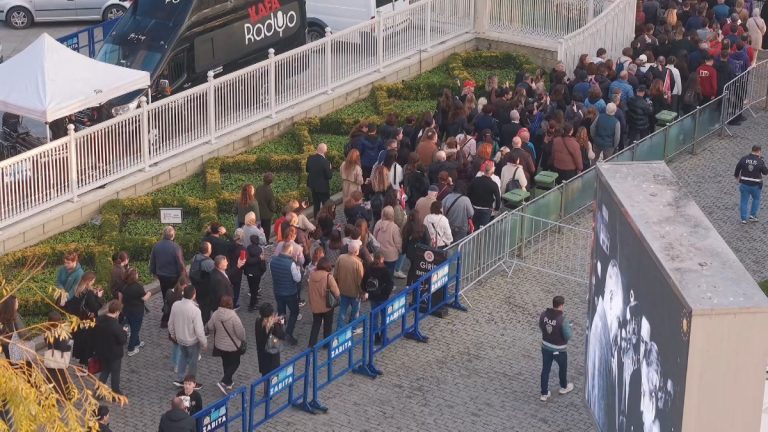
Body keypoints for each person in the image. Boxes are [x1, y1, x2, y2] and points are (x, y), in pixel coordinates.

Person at [206, 296, 246, 395]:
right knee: (235, 363)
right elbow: (240, 332)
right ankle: (224, 380)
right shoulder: (233, 317)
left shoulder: (215, 314)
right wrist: (243, 339)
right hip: (233, 346)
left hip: (220, 344)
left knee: (226, 362)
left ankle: (228, 382)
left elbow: (210, 326)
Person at [169, 285, 207, 388]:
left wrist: (173, 335)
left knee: (183, 358)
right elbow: (199, 330)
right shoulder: (195, 310)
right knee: (192, 363)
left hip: (180, 339)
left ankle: (180, 379)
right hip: (192, 341)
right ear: (194, 295)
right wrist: (204, 343)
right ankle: (191, 381)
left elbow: (170, 323)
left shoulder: (176, 305)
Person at [539, 295, 574, 401]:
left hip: (546, 347)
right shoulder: (562, 320)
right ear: (561, 306)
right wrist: (569, 327)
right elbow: (568, 335)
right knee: (562, 368)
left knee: (545, 369)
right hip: (560, 349)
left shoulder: (544, 315)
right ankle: (563, 387)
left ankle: (544, 393)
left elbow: (541, 326)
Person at [149, 226, 186, 328]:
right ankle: (168, 318)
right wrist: (183, 276)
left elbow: (153, 261)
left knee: (165, 296)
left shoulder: (156, 246)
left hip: (162, 276)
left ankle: (166, 317)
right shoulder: (176, 247)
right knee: (175, 296)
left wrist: (154, 272)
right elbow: (180, 263)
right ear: (173, 235)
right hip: (174, 276)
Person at [69, 272, 104, 375]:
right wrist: (98, 297)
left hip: (78, 322)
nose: (94, 282)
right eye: (93, 281)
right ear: (89, 281)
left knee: (80, 342)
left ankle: (80, 365)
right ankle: (83, 368)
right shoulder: (88, 293)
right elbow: (95, 308)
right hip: (88, 322)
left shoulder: (77, 290)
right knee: (87, 344)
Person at [269, 244, 301, 346]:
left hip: (278, 291)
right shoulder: (291, 264)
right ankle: (288, 333)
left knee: (281, 312)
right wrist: (298, 269)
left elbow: (272, 273)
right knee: (294, 312)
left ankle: (280, 332)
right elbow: (297, 279)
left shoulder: (272, 261)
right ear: (290, 251)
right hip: (290, 293)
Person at [94, 300, 127, 395]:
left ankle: (98, 392)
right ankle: (115, 392)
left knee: (105, 371)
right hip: (114, 354)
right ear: (117, 312)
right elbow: (122, 340)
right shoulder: (116, 326)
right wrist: (124, 332)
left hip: (102, 351)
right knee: (115, 373)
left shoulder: (99, 320)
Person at [307, 257, 340, 347]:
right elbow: (337, 292)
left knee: (316, 324)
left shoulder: (312, 276)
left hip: (315, 305)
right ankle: (326, 344)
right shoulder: (328, 277)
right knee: (327, 325)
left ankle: (311, 344)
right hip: (327, 305)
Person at [363, 252, 394, 345]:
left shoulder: (369, 269)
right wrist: (386, 294)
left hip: (373, 297)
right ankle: (383, 336)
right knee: (384, 317)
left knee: (374, 317)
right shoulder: (385, 270)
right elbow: (390, 284)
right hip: (383, 298)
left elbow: (363, 283)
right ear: (382, 259)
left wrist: (368, 292)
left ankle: (376, 337)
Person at [334, 242, 365, 331]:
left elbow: (335, 274)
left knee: (342, 311)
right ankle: (353, 328)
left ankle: (339, 329)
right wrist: (362, 292)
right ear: (356, 251)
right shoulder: (358, 263)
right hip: (354, 292)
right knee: (355, 311)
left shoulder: (341, 258)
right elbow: (360, 280)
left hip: (342, 290)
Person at [734, 145, 768, 224]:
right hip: (756, 185)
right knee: (756, 199)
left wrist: (737, 177)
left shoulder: (744, 158)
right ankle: (752, 216)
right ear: (759, 151)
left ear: (752, 150)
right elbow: (765, 172)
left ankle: (743, 219)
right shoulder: (760, 161)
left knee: (744, 201)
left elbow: (737, 168)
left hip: (744, 184)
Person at [121, 267, 151, 357]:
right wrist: (149, 293)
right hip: (137, 312)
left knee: (133, 327)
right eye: (137, 273)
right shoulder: (138, 287)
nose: (138, 275)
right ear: (134, 276)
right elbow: (144, 298)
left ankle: (137, 342)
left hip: (127, 310)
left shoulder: (124, 286)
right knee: (135, 330)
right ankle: (131, 349)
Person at [43, 310, 72, 398]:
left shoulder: (47, 331)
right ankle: (65, 394)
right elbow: (63, 347)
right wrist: (69, 346)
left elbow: (47, 342)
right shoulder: (60, 333)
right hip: (59, 360)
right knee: (61, 378)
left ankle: (50, 395)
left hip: (51, 359)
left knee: (51, 379)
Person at [255, 303, 286, 377]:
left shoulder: (258, 321)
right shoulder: (273, 326)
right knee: (274, 378)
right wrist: (279, 324)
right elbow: (282, 336)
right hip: (272, 357)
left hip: (262, 356)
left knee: (265, 376)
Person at [467, 161, 501, 228]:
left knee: (473, 227)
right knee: (482, 229)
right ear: (492, 172)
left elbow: (468, 192)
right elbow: (498, 198)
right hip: (486, 210)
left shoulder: (475, 180)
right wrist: (496, 208)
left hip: (474, 207)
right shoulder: (493, 184)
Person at [189, 242, 215, 324]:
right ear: (208, 251)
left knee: (200, 304)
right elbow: (215, 274)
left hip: (196, 285)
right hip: (205, 289)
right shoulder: (209, 263)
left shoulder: (195, 257)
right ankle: (203, 324)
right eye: (210, 248)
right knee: (206, 307)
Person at [306, 143, 333, 218]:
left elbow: (307, 170)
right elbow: (329, 176)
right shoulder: (326, 162)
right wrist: (330, 168)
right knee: (327, 205)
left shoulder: (310, 158)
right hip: (323, 188)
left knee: (316, 205)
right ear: (324, 151)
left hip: (313, 186)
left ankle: (316, 220)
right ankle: (327, 220)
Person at [244, 234, 267, 312]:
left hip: (248, 273)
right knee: (255, 289)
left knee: (251, 287)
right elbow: (262, 262)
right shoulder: (260, 250)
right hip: (257, 273)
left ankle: (254, 301)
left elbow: (248, 261)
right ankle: (252, 305)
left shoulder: (248, 248)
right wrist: (263, 269)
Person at [226, 229, 247, 309]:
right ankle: (234, 304)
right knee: (236, 288)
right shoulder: (243, 249)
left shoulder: (229, 245)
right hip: (237, 272)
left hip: (228, 269)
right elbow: (244, 263)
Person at [256, 172, 278, 241]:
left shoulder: (259, 188)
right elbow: (271, 205)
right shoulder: (269, 191)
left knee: (259, 230)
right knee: (266, 231)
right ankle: (266, 243)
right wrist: (275, 210)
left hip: (258, 213)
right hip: (266, 215)